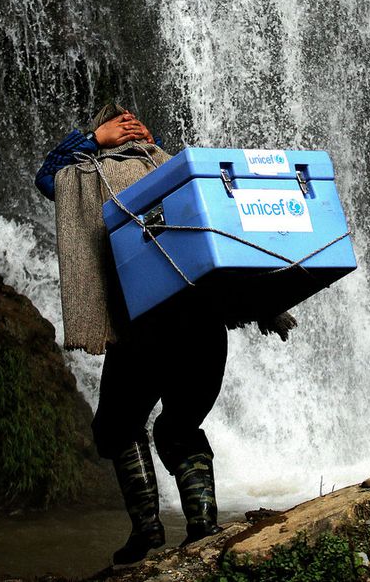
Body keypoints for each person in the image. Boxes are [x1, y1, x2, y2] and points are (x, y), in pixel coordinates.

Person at [35, 103, 228, 565]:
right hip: (206, 326)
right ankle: (204, 527)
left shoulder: (91, 177)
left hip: (147, 329)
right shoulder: (178, 173)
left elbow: (48, 178)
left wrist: (91, 140)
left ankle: (147, 532)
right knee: (180, 426)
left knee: (118, 427)